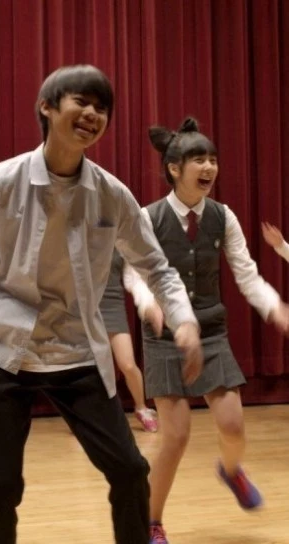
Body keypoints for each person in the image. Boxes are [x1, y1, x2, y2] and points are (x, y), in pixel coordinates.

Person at [0, 64, 203, 544]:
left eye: (102, 108)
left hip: (77, 349)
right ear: (47, 107)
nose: (93, 114)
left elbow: (157, 267)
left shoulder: (112, 195)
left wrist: (183, 320)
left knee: (129, 470)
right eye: (82, 102)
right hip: (3, 349)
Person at [124, 117, 289, 544]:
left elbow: (247, 275)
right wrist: (148, 303)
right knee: (175, 438)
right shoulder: (148, 217)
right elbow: (134, 273)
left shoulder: (223, 216)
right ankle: (152, 521)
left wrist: (274, 307)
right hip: (164, 338)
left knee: (233, 427)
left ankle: (231, 472)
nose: (209, 167)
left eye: (213, 159)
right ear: (174, 168)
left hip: (211, 331)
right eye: (199, 159)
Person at [101, 249, 158, 432]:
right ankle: (91, 416)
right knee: (94, 369)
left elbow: (133, 279)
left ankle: (141, 408)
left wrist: (147, 304)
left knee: (127, 364)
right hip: (85, 308)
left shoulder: (121, 241)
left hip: (112, 304)